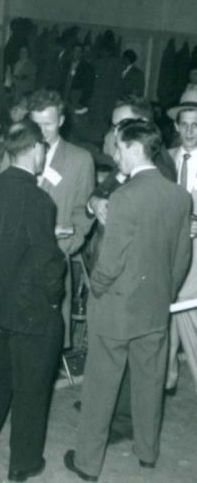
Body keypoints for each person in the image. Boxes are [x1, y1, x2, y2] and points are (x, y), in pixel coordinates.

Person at [64, 119, 191, 482]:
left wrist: (98, 290)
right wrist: (164, 292)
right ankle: (147, 453)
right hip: (154, 308)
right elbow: (182, 258)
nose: (114, 154)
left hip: (116, 309)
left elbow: (111, 260)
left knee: (100, 388)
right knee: (149, 385)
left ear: (135, 149)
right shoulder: (179, 196)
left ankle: (88, 464)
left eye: (118, 147)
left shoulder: (124, 197)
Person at [0, 119, 65, 481]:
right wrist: (55, 297)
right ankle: (22, 462)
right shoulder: (40, 200)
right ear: (36, 149)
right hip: (28, 308)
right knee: (31, 386)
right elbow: (46, 259)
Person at [29, 90, 95, 347]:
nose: (42, 131)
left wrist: (70, 243)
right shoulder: (14, 151)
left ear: (62, 121)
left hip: (55, 256)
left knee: (48, 337)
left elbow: (84, 209)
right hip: (18, 255)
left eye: (49, 124)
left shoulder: (80, 159)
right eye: (36, 124)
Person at [166, 104, 197, 398]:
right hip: (170, 245)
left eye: (196, 125)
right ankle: (168, 374)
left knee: (189, 310)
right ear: (176, 127)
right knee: (170, 307)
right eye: (185, 124)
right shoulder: (167, 160)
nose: (190, 131)